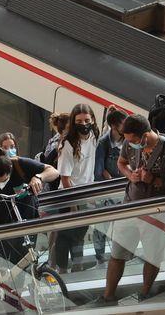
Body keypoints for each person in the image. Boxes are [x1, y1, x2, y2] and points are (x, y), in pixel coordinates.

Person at [100, 115, 165, 303]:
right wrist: (130, 176)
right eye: (127, 140)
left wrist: (153, 180)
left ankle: (145, 292)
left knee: (153, 255)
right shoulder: (128, 144)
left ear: (145, 135)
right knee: (117, 253)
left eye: (133, 140)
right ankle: (108, 295)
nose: (130, 143)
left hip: (156, 210)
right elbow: (121, 163)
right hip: (131, 204)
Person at [0, 147, 59, 268]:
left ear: (10, 171)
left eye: (4, 181)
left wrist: (39, 177)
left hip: (27, 218)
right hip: (1, 220)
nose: (1, 185)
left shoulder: (21, 164)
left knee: (24, 260)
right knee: (1, 262)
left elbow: (53, 171)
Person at [52, 103, 98, 271]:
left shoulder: (93, 135)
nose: (84, 124)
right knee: (64, 236)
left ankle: (77, 267)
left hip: (85, 193)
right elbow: (65, 178)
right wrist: (73, 205)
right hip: (68, 196)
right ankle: (61, 270)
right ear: (73, 121)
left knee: (79, 234)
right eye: (79, 121)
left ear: (92, 119)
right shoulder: (68, 144)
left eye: (87, 120)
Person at [92, 109, 128, 263]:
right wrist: (110, 178)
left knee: (122, 226)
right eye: (122, 123)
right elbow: (98, 171)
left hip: (123, 189)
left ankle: (119, 255)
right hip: (107, 191)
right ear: (113, 126)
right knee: (102, 226)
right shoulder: (103, 143)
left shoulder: (127, 140)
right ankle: (100, 256)